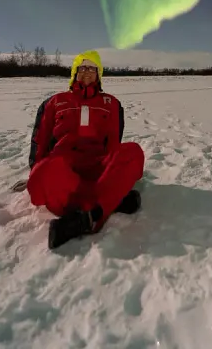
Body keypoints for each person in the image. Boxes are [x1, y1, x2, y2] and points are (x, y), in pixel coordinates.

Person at [26, 50, 144, 249]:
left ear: (99, 74)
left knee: (132, 152)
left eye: (92, 68)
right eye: (82, 67)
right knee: (44, 170)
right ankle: (108, 204)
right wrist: (35, 171)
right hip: (65, 169)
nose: (87, 71)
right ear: (75, 72)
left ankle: (88, 216)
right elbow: (40, 140)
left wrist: (115, 172)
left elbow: (114, 144)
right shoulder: (54, 102)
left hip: (98, 170)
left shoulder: (112, 104)